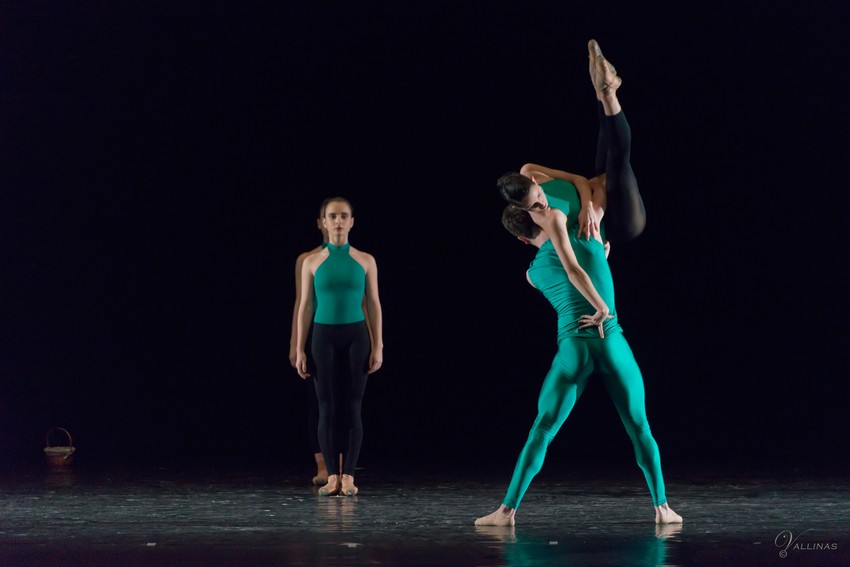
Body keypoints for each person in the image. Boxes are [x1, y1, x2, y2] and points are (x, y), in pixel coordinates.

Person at [475, 40, 682, 526]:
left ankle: (506, 510)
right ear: (528, 216)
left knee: (542, 429)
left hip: (573, 346)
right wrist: (603, 296)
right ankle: (662, 506)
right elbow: (578, 270)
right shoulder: (569, 233)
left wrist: (588, 211)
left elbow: (562, 272)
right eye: (536, 206)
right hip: (611, 335)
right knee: (640, 428)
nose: (544, 204)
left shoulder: (533, 267)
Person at [499, 39, 646, 253]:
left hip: (600, 194)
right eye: (533, 206)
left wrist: (587, 204)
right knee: (618, 161)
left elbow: (579, 180)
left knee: (606, 140)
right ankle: (608, 93)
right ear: (521, 208)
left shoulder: (529, 170)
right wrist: (596, 217)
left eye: (538, 195)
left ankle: (602, 90)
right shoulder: (544, 223)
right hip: (620, 224)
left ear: (533, 181)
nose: (541, 204)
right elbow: (580, 255)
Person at [295, 197, 383, 497]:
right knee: (327, 407)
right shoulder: (311, 262)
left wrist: (378, 345)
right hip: (323, 337)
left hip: (356, 336)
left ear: (352, 221)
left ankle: (349, 477)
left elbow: (374, 304)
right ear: (324, 222)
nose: (338, 221)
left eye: (343, 216)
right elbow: (305, 306)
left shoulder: (366, 260)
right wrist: (300, 347)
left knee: (353, 406)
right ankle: (332, 475)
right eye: (332, 216)